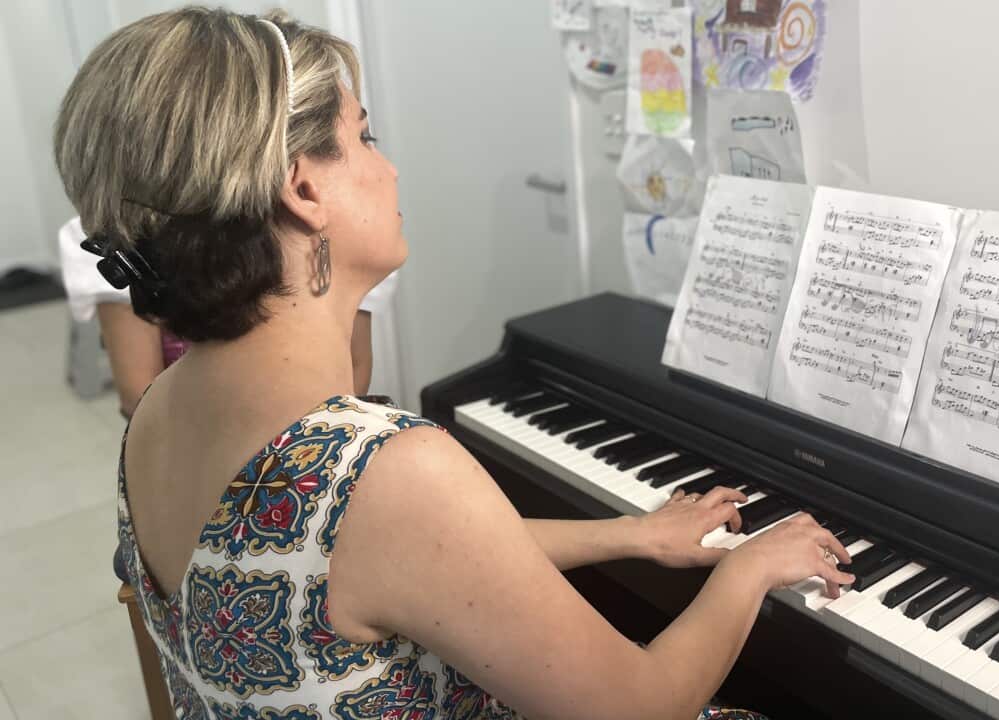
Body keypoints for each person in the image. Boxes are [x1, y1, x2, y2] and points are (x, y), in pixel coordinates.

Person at [54, 8, 853, 719]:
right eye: (364, 136)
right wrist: (747, 570)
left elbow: (424, 562)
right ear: (303, 189)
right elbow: (639, 705)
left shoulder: (156, 411)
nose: (388, 166)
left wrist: (628, 535)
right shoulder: (382, 470)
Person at [58, 217, 398, 418]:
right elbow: (138, 395)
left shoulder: (333, 232)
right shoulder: (127, 233)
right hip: (193, 452)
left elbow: (353, 367)